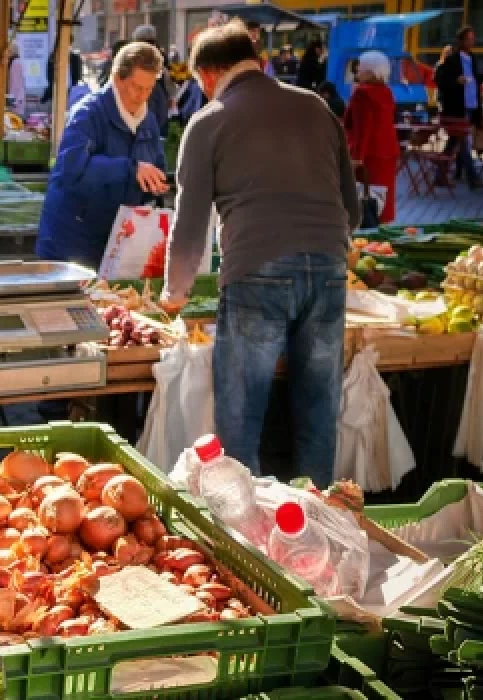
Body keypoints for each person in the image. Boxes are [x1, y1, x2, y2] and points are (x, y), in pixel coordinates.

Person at [161, 20, 361, 486]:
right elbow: (350, 209)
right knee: (318, 408)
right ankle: (319, 524)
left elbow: (190, 224)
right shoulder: (316, 107)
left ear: (208, 76)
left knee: (241, 412)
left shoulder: (209, 120)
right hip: (329, 267)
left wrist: (175, 295)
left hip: (257, 271)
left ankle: (244, 536)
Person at [35, 42, 168, 267]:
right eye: (137, 87)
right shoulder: (87, 114)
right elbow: (71, 172)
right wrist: (130, 169)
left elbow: (155, 167)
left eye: (149, 88)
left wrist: (157, 184)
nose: (142, 96)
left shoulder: (149, 122)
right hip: (72, 241)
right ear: (117, 79)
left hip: (117, 239)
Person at [345, 51, 400, 223]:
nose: (357, 72)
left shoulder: (362, 93)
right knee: (383, 198)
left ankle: (367, 233)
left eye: (360, 68)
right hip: (387, 151)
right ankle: (383, 230)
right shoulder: (386, 92)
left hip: (368, 155)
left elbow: (363, 128)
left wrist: (356, 158)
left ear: (370, 71)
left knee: (364, 198)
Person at [435, 26, 483, 187]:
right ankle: (472, 178)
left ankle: (441, 175)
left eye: (473, 39)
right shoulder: (452, 59)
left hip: (471, 105)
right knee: (463, 142)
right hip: (457, 107)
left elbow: (476, 79)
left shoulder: (473, 59)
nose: (471, 42)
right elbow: (441, 81)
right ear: (461, 41)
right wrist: (456, 81)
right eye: (468, 39)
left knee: (455, 141)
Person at [132, 24, 175, 138]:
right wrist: (171, 95)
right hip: (159, 91)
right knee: (158, 120)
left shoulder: (136, 53)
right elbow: (168, 74)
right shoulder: (160, 52)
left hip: (147, 91)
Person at [6, 46, 26, 116]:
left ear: (11, 52)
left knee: (16, 120)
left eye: (8, 52)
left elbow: (17, 84)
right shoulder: (14, 62)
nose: (6, 54)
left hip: (16, 100)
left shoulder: (15, 63)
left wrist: (15, 100)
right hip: (15, 99)